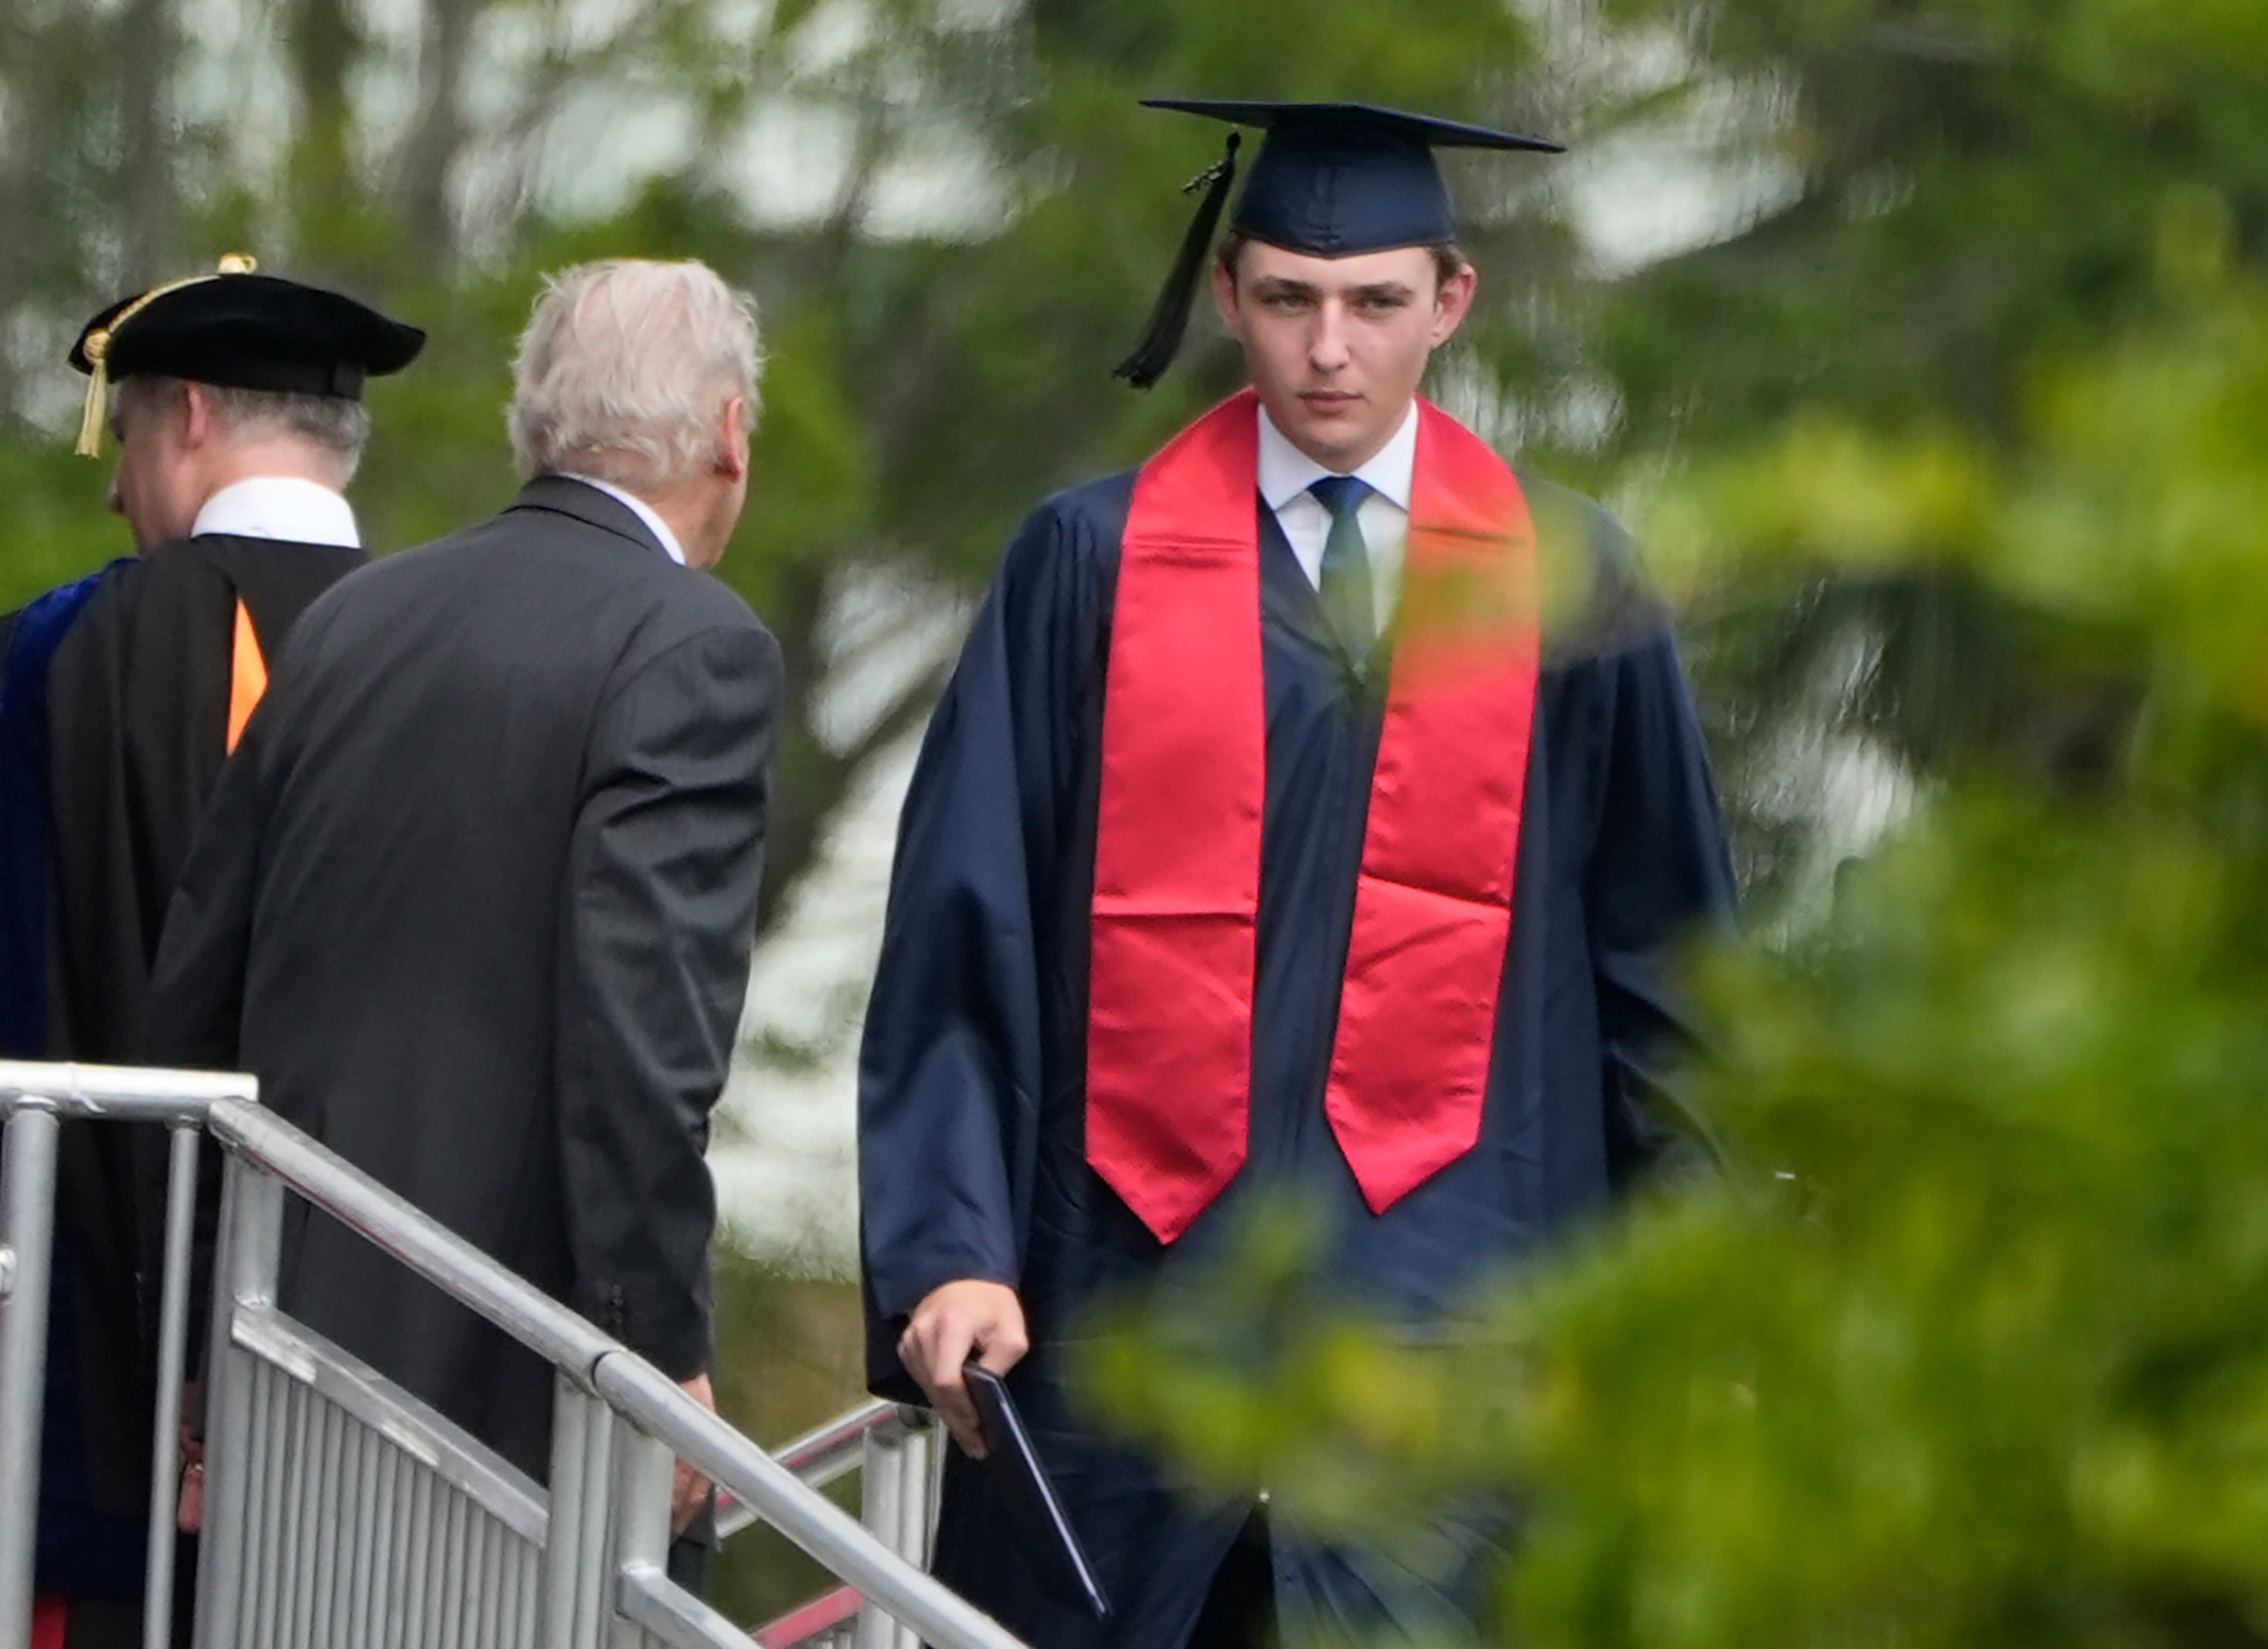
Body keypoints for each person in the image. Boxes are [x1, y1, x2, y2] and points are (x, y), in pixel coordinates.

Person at [858, 100, 1737, 1647]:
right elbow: (961, 928)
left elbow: (1666, 980)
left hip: (1461, 1351)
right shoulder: (1084, 563)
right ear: (1229, 298)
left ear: (1449, 303)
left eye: (1375, 303)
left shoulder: (1570, 587)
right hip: (1126, 1331)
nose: (1329, 348)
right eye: (1288, 299)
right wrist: (950, 1249)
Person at [146, 258, 782, 1569]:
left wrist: (199, 1346)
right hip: (519, 1399)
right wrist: (654, 1357)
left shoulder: (354, 616)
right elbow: (640, 1048)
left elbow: (196, 1007)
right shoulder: (693, 645)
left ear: (534, 419)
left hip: (291, 1359)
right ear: (730, 433)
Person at [0, 256, 421, 1649]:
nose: (118, 491)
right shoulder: (456, 659)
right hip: (392, 1414)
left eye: (122, 439)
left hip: (99, 1425)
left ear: (182, 414)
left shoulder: (57, 655)